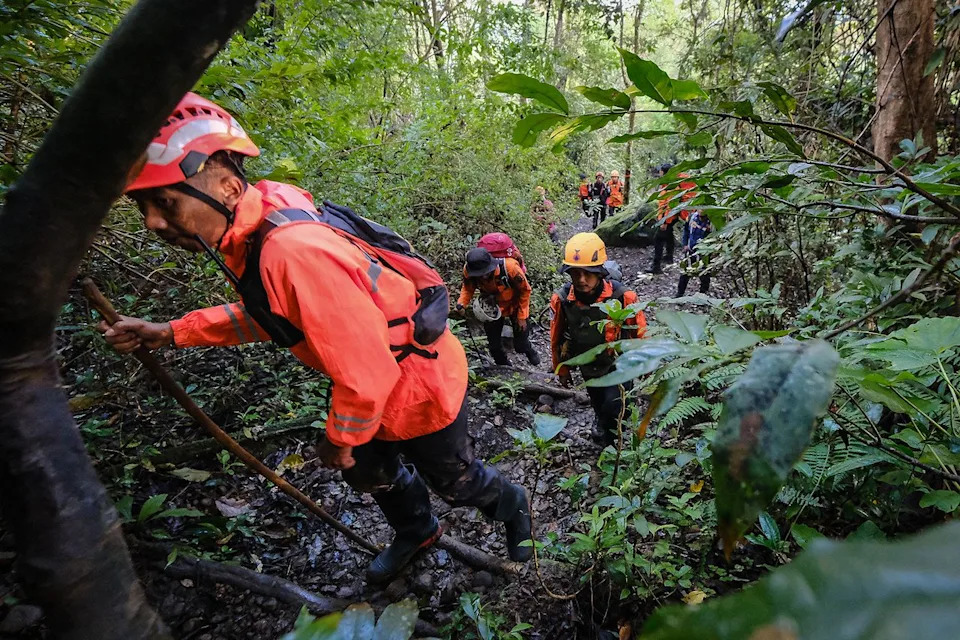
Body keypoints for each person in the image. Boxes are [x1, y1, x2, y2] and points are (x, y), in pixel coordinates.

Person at [97, 92, 532, 584]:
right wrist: (173, 332)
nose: (153, 221)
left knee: (455, 480)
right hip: (369, 386)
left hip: (416, 385)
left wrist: (338, 440)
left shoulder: (291, 251)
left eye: (165, 202)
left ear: (226, 187)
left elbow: (368, 374)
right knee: (370, 474)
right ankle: (418, 530)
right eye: (144, 206)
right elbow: (274, 317)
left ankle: (513, 505)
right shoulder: (258, 229)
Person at [549, 233, 647, 445]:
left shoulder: (623, 297)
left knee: (614, 406)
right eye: (576, 274)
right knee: (597, 399)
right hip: (588, 364)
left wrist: (645, 363)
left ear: (600, 272)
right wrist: (561, 368)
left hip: (618, 365)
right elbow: (556, 335)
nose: (581, 280)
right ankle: (602, 422)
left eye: (588, 273)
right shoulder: (564, 300)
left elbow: (639, 332)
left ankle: (612, 445)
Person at [456, 247, 540, 366]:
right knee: (494, 347)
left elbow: (525, 291)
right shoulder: (469, 271)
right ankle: (504, 368)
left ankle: (531, 354)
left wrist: (522, 317)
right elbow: (468, 288)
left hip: (515, 305)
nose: (482, 277)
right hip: (491, 308)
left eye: (484, 273)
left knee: (521, 344)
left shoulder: (511, 268)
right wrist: (462, 303)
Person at [649, 163, 697, 274]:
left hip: (670, 215)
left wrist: (664, 221)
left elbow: (669, 204)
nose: (660, 176)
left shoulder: (672, 186)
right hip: (676, 214)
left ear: (666, 173)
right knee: (669, 233)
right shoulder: (672, 182)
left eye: (661, 173)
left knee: (659, 239)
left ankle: (656, 267)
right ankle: (669, 257)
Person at [677, 210, 712, 296]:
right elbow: (686, 230)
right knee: (685, 273)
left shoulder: (712, 221)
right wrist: (685, 244)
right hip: (690, 249)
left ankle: (703, 294)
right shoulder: (691, 217)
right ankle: (679, 294)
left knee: (704, 274)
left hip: (704, 251)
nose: (701, 211)